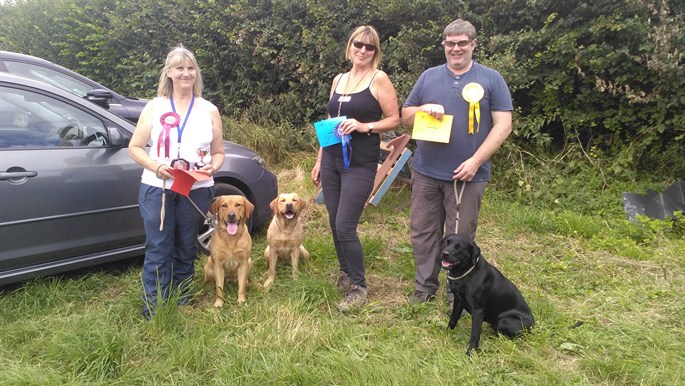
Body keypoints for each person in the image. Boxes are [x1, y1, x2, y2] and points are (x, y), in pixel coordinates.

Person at [401, 19, 513, 305]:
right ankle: (425, 287)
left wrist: (476, 161)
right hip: (426, 171)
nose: (456, 48)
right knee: (423, 232)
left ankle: (457, 293)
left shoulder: (491, 79)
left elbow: (504, 125)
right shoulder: (428, 76)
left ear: (473, 45)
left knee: (460, 237)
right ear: (444, 45)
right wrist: (422, 109)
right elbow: (405, 115)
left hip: (468, 175)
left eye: (462, 43)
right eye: (450, 43)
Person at [129, 45, 225, 319]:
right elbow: (135, 147)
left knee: (186, 246)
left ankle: (182, 298)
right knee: (159, 247)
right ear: (169, 72)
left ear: (196, 73)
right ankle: (154, 306)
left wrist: (213, 167)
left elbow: (218, 152)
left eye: (191, 67)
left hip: (196, 189)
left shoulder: (209, 109)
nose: (186, 73)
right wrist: (156, 165)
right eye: (180, 68)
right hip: (156, 189)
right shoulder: (155, 107)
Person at [310, 26, 400, 312]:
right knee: (333, 221)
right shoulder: (339, 78)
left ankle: (359, 287)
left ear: (376, 52)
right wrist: (319, 159)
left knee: (345, 226)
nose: (363, 50)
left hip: (359, 164)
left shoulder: (379, 79)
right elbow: (329, 120)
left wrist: (365, 126)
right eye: (358, 45)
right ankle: (345, 272)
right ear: (349, 46)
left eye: (369, 47)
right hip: (332, 160)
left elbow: (395, 118)